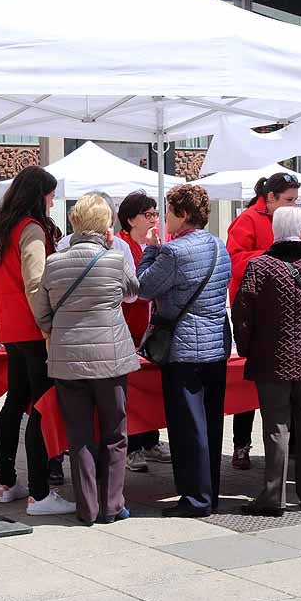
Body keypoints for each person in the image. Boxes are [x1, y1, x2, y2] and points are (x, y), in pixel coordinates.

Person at [32, 194, 140, 525]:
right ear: (106, 225)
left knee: (79, 436)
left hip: (66, 360)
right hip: (110, 358)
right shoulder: (114, 258)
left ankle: (87, 509)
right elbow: (133, 292)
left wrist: (61, 330)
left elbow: (41, 314)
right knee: (115, 433)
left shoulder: (54, 262)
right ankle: (111, 505)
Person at [232, 207, 301, 513]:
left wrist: (247, 349)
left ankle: (272, 497)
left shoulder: (260, 266)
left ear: (275, 232)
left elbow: (242, 315)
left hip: (271, 359)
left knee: (276, 426)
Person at [0, 166, 76, 516]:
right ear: (39, 194)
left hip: (10, 329)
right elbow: (36, 282)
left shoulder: (1, 227)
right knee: (41, 407)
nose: (53, 200)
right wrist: (48, 327)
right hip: (33, 329)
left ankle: (7, 483)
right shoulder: (31, 229)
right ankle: (40, 492)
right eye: (51, 194)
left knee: (15, 403)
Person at [137, 185, 231, 517]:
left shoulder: (173, 253)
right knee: (210, 424)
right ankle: (210, 492)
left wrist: (149, 250)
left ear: (184, 214)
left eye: (169, 211)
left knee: (187, 428)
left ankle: (195, 499)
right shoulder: (220, 246)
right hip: (217, 346)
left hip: (184, 350)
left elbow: (143, 287)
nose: (165, 218)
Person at [226, 172, 301, 471]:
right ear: (270, 198)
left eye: (296, 201)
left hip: (284, 308)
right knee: (250, 378)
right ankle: (241, 445)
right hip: (252, 309)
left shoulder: (289, 218)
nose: (293, 206)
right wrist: (276, 255)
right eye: (288, 200)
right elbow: (235, 261)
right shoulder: (246, 220)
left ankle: (291, 443)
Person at [115, 191, 172, 471]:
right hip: (127, 322)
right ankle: (133, 446)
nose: (153, 219)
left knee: (150, 384)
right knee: (132, 388)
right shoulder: (121, 245)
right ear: (130, 219)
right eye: (147, 215)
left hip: (149, 323)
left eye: (155, 214)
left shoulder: (154, 242)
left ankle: (150, 439)